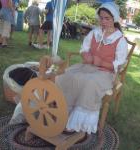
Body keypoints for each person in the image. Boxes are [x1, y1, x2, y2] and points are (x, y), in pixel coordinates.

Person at [9, 2, 128, 135]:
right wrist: (86, 56)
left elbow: (119, 64)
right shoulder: (95, 33)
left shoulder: (120, 40)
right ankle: (55, 107)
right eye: (101, 18)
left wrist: (101, 62)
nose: (103, 21)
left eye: (107, 18)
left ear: (114, 19)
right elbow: (84, 49)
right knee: (64, 75)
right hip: (86, 66)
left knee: (89, 83)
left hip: (105, 73)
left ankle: (76, 122)